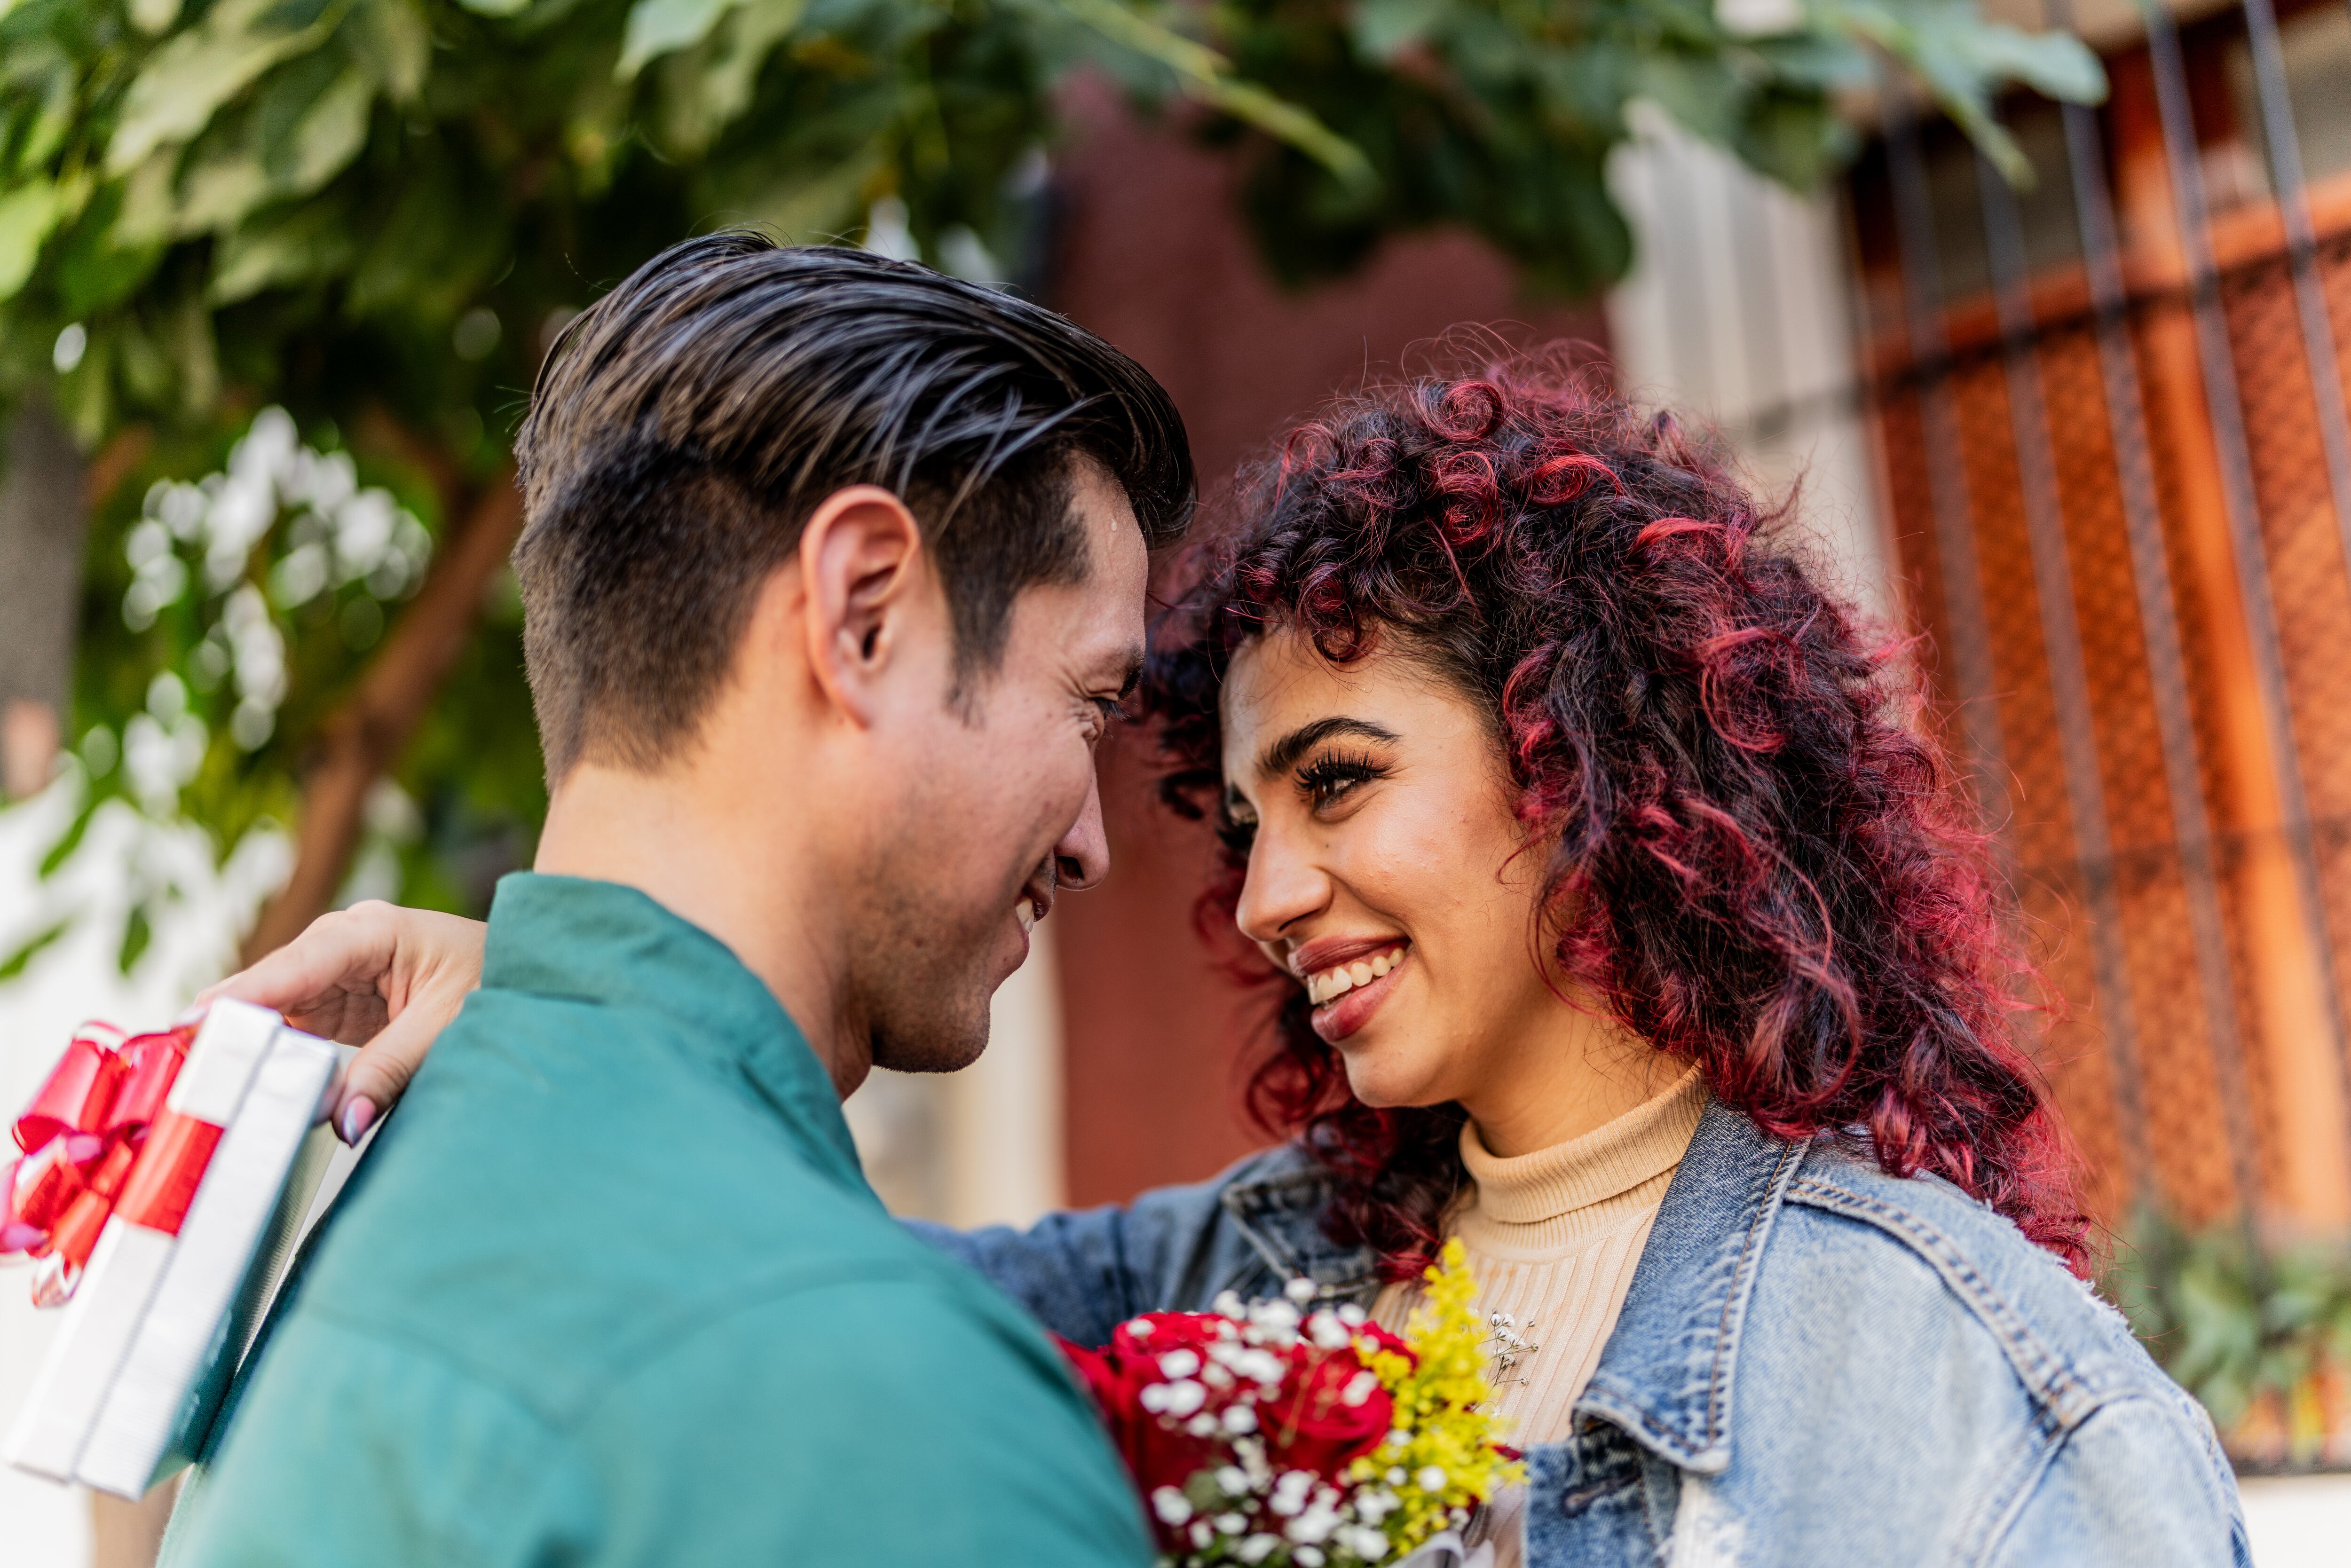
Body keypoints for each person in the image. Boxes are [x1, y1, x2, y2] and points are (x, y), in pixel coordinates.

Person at [211, 359, 2250, 1567]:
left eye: (1339, 783)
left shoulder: (1966, 1391)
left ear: (1592, 764)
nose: (1268, 898)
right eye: (1244, 821)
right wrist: (561, 1002)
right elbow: (756, 1303)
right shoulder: (1243, 1273)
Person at [160, 232, 1196, 1567]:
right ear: (863, 614)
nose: (1094, 845)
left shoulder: (394, 1209)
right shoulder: (862, 1395)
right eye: (1090, 701)